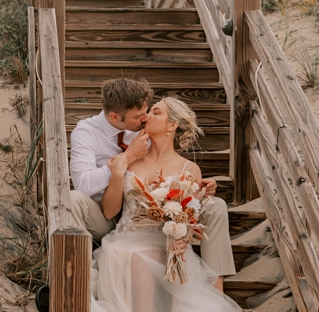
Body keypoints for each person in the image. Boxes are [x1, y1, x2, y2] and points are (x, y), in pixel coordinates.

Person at [85, 96, 244, 312]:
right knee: (126, 255)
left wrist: (188, 219)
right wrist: (118, 172)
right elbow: (110, 210)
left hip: (164, 242)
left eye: (155, 111)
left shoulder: (189, 168)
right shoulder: (128, 158)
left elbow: (188, 219)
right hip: (126, 237)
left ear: (172, 125)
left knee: (144, 256)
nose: (146, 115)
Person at [69, 78, 235, 292]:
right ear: (114, 117)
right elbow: (83, 184)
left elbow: (167, 158)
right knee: (73, 200)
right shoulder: (86, 132)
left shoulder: (144, 128)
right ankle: (73, 279)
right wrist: (126, 159)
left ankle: (217, 292)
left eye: (150, 112)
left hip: (153, 214)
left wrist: (189, 186)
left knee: (217, 205)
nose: (145, 118)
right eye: (140, 116)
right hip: (107, 213)